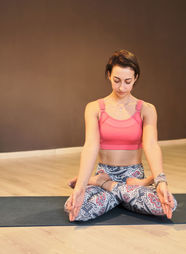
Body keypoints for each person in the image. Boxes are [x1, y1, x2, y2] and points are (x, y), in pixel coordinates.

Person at [64, 49, 177, 222]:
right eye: (116, 80)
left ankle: (105, 186)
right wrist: (80, 187)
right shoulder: (94, 108)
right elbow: (90, 146)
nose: (122, 87)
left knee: (164, 205)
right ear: (109, 75)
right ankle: (114, 190)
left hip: (134, 178)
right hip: (106, 172)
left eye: (128, 81)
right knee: (75, 210)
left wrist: (160, 182)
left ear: (136, 78)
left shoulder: (147, 109)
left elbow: (151, 145)